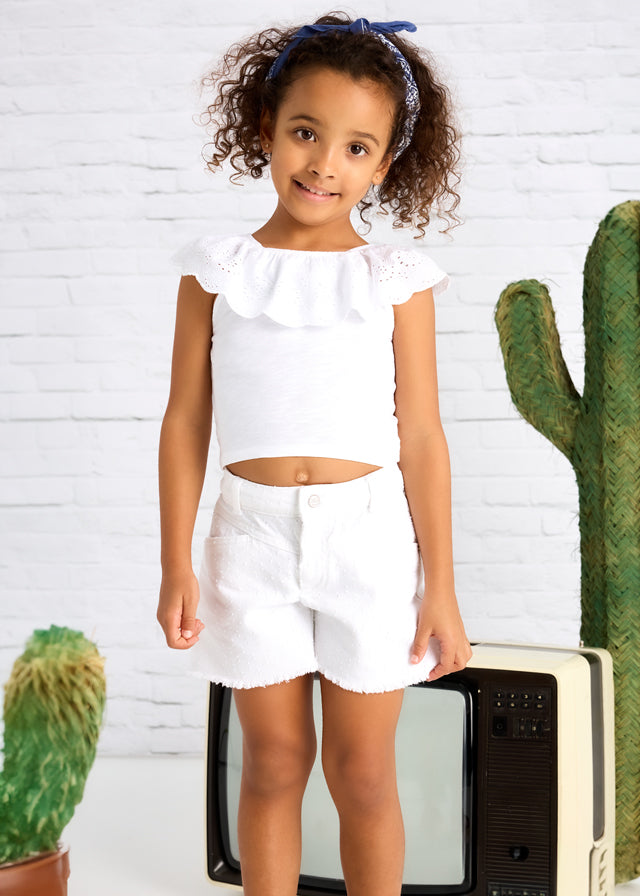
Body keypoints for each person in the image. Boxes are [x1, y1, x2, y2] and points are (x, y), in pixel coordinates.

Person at [157, 13, 472, 896]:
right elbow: (185, 419)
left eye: (356, 147)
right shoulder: (217, 271)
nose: (324, 163)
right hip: (248, 540)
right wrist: (176, 562)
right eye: (306, 132)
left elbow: (422, 436)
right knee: (272, 762)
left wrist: (441, 585)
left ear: (384, 165)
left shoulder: (394, 281)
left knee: (362, 774)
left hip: (369, 545)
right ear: (265, 127)